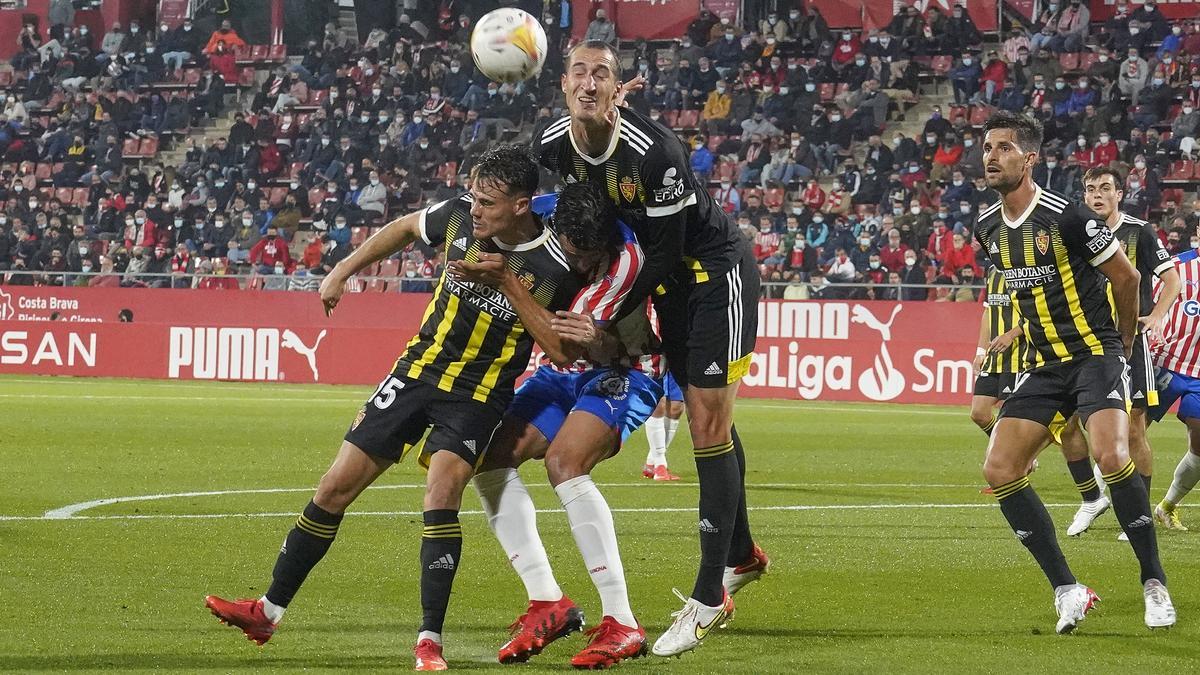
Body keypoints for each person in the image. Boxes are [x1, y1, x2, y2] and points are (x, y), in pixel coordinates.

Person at [203, 146, 607, 671]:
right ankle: (267, 612)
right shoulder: (459, 216)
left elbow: (559, 351)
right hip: (415, 373)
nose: (476, 208)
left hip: (479, 394)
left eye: (488, 201)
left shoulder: (554, 265)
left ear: (522, 204)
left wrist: (506, 279)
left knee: (441, 489)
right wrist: (342, 270)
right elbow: (402, 227)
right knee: (334, 486)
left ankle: (429, 642)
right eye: (475, 197)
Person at [535, 41, 767, 657]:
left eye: (602, 74)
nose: (590, 83)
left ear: (618, 88)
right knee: (704, 415)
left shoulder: (657, 152)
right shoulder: (552, 144)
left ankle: (708, 598)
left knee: (708, 422)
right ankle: (740, 555)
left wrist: (600, 312)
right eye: (579, 72)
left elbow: (663, 253)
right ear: (563, 84)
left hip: (714, 271)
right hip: (663, 281)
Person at [975, 110, 1173, 633]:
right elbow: (1026, 291)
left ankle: (1153, 580)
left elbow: (1128, 279)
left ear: (1030, 158)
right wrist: (1017, 335)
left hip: (1095, 354)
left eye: (1003, 148)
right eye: (988, 147)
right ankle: (1069, 589)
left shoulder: (1067, 217)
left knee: (1112, 452)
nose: (991, 156)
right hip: (1044, 364)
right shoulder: (987, 228)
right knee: (999, 470)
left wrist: (1125, 342)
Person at [467, 183, 654, 668]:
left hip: (627, 368)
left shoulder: (626, 262)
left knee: (564, 463)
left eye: (587, 256)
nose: (575, 265)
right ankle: (548, 601)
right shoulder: (544, 211)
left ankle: (623, 622)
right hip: (563, 371)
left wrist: (510, 281)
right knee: (489, 459)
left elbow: (572, 344)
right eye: (569, 253)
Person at [1058, 167, 1181, 540]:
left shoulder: (1139, 231)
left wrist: (1155, 317)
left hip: (1128, 341)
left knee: (1134, 429)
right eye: (1091, 188)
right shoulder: (1073, 231)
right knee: (1066, 425)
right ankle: (1092, 498)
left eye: (1105, 188)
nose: (1098, 194)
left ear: (1120, 193)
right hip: (1084, 341)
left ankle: (1138, 515)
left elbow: (1171, 279)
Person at [1149, 244, 1200, 530]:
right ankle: (1099, 500)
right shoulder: (1175, 266)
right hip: (1164, 362)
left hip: (1199, 373)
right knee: (1130, 431)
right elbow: (1147, 304)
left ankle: (1167, 506)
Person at [643, 372, 684, 481]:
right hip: (658, 359)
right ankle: (660, 465)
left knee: (676, 407)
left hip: (678, 359)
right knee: (658, 403)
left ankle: (651, 462)